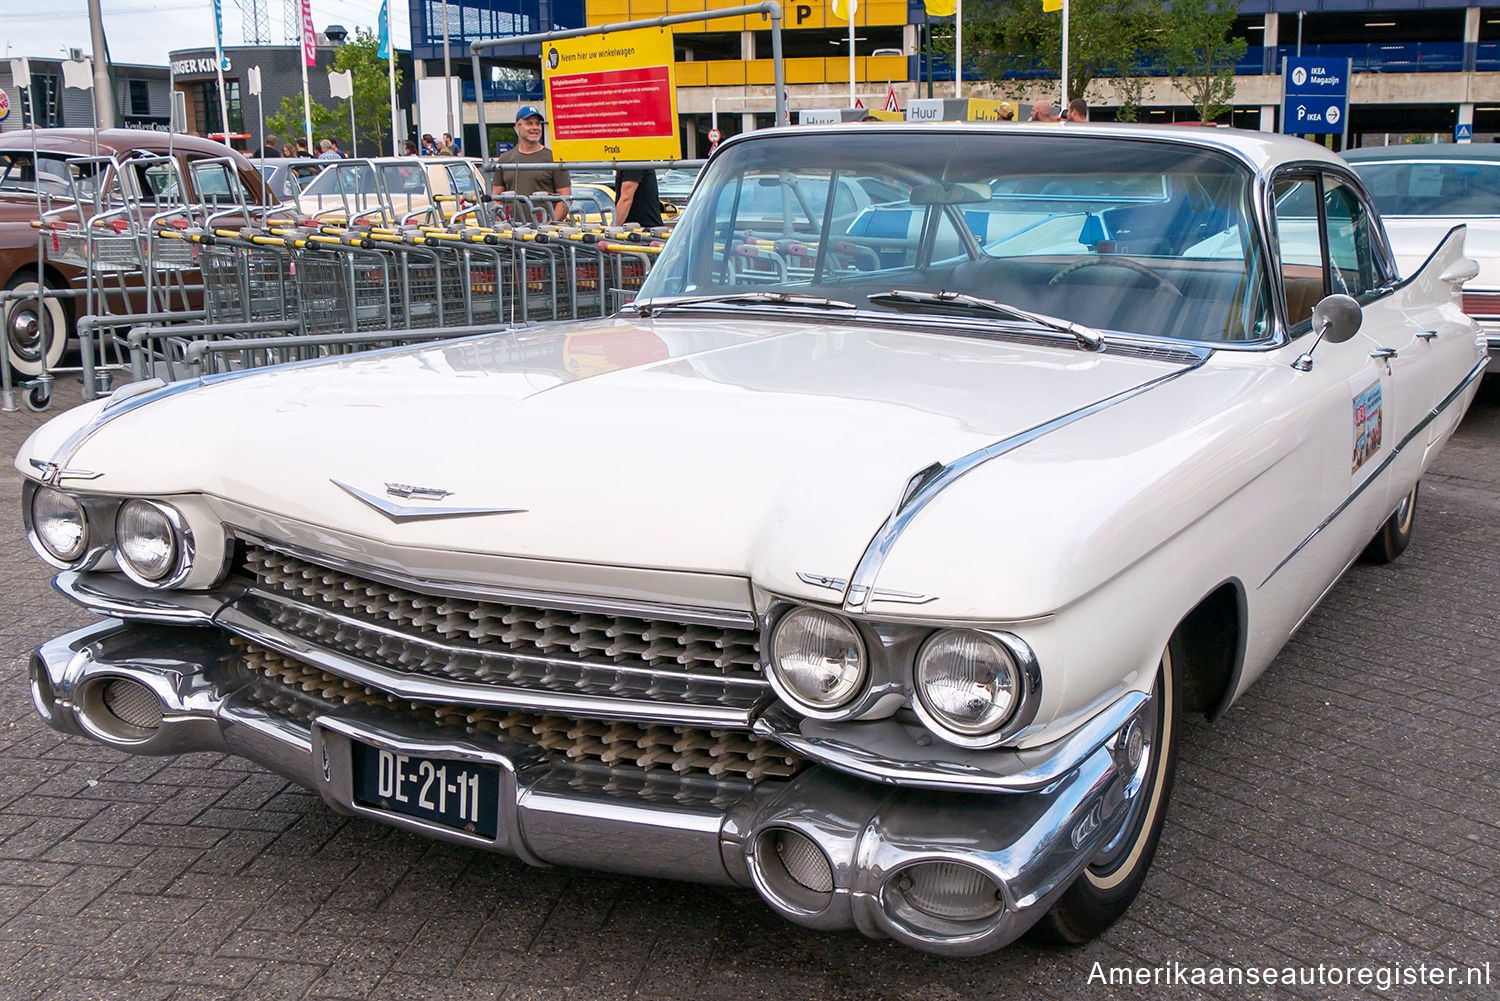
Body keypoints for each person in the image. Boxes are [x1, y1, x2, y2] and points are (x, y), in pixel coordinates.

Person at [494, 106, 571, 223]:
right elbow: (496, 196)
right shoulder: (505, 160)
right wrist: (503, 223)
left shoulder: (554, 158)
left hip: (544, 236)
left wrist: (548, 227)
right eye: (529, 123)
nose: (535, 127)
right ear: (517, 126)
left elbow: (565, 198)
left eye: (538, 124)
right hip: (512, 234)